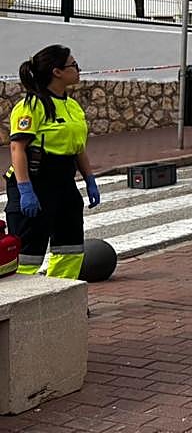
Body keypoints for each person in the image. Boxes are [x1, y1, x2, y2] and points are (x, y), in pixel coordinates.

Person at [5, 45, 100, 278]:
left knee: (70, 247)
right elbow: (18, 148)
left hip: (63, 182)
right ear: (57, 72)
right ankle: (22, 298)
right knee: (28, 253)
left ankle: (62, 294)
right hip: (35, 181)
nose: (78, 69)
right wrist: (25, 189)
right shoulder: (31, 106)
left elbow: (78, 148)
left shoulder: (72, 106)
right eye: (73, 65)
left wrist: (89, 179)